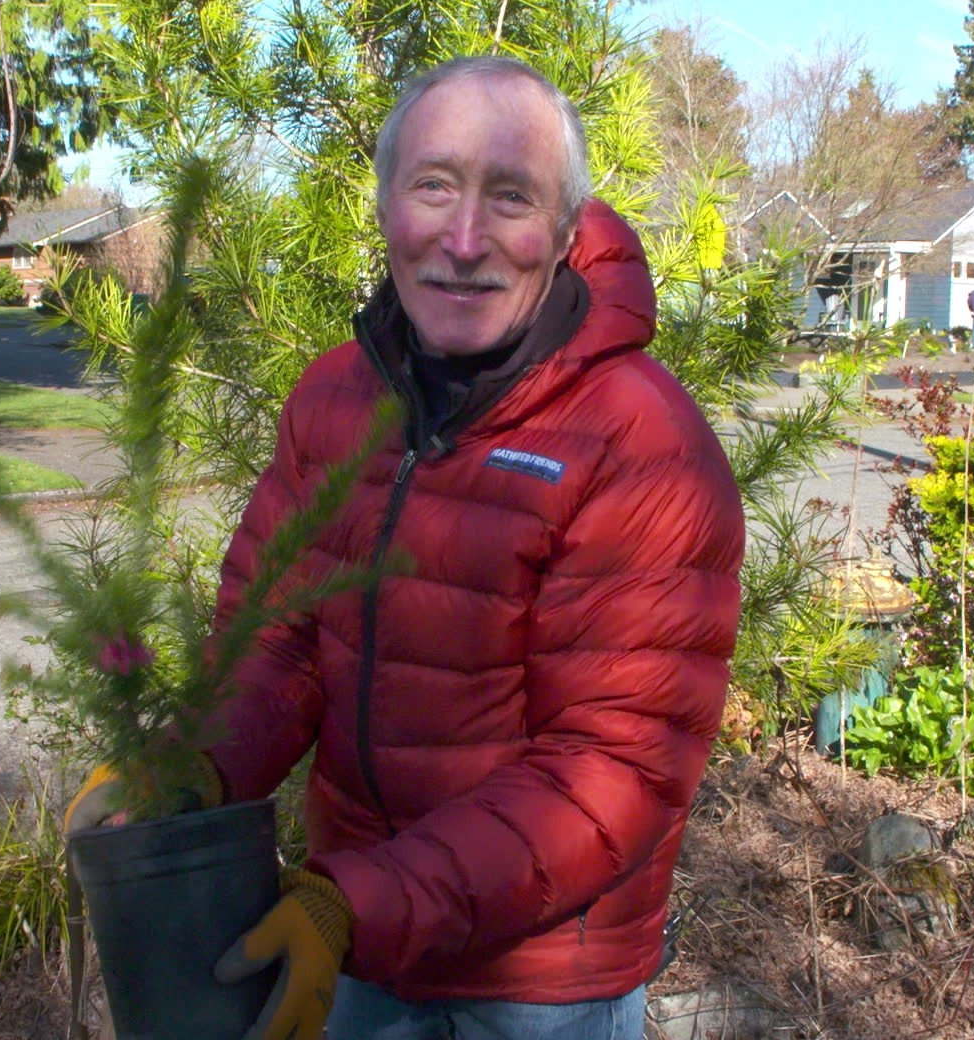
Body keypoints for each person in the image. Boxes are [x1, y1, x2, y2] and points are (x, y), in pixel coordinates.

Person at [72, 55, 745, 1040]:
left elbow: (610, 767)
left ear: (563, 232)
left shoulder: (641, 444)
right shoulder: (336, 397)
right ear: (384, 204)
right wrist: (196, 768)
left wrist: (355, 904)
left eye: (509, 197)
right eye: (433, 185)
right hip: (363, 947)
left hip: (538, 982)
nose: (462, 239)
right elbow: (284, 641)